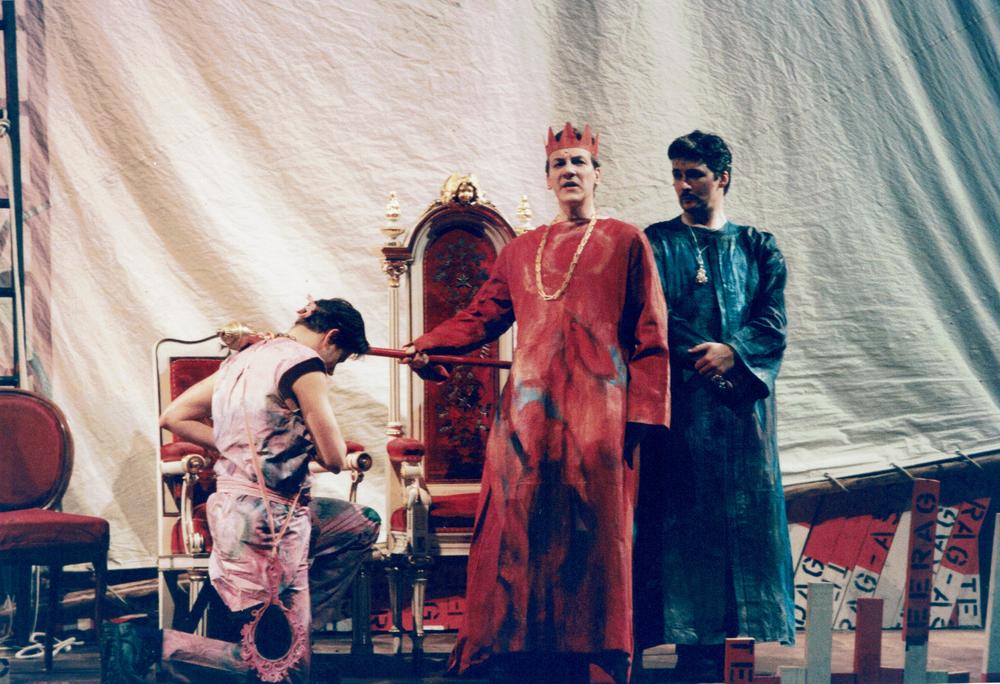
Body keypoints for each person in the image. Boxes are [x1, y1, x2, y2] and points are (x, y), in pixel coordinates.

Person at [404, 122, 670, 683]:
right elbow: (481, 317)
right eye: (558, 164)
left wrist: (643, 416)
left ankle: (593, 653)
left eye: (579, 162)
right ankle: (515, 648)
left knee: (595, 530)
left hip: (600, 410)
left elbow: (651, 333)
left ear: (597, 174)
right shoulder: (521, 250)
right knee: (517, 523)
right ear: (547, 179)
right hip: (526, 413)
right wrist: (431, 343)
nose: (569, 171)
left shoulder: (627, 240)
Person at [108, 298, 381, 683]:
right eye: (340, 357)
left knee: (359, 523)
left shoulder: (244, 359)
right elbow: (335, 457)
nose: (333, 369)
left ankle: (292, 629)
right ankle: (152, 646)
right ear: (331, 336)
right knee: (286, 669)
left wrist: (243, 447)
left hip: (233, 511)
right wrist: (299, 440)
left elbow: (174, 416)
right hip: (269, 523)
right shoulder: (306, 365)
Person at [635, 130, 793, 681]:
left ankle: (730, 650)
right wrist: (701, 354)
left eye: (694, 175)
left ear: (722, 177)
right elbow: (652, 314)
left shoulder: (758, 246)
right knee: (682, 525)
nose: (683, 185)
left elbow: (772, 320)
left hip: (741, 416)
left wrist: (733, 352)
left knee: (741, 523)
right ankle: (685, 648)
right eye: (676, 175)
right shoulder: (655, 244)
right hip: (680, 414)